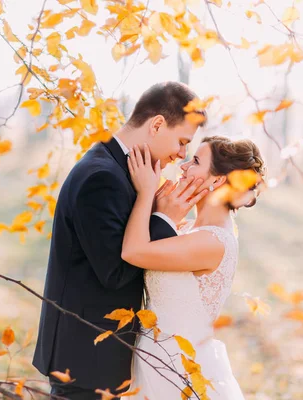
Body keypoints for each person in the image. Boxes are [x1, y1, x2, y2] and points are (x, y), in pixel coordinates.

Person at [32, 82, 206, 399]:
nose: (182, 154)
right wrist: (162, 220)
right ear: (157, 125)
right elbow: (114, 272)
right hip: (85, 357)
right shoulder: (103, 177)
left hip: (96, 353)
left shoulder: (116, 168)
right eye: (182, 142)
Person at [123, 136, 266, 399]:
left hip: (180, 369)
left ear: (217, 180)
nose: (184, 166)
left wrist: (146, 194)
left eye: (196, 161)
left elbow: (133, 252)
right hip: (155, 359)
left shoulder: (212, 242)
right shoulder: (187, 229)